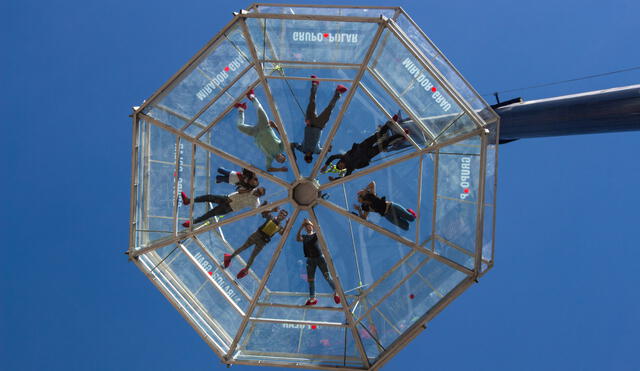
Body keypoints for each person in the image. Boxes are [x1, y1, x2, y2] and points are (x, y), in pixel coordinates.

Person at [290, 76, 347, 164]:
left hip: (310, 123)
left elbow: (292, 145)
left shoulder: (302, 149)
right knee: (329, 109)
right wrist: (329, 149)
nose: (308, 155)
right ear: (311, 157)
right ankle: (338, 92)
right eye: (310, 157)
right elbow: (326, 150)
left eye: (307, 157)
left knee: (312, 102)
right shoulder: (317, 151)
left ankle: (315, 84)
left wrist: (293, 156)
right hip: (319, 126)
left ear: (305, 156)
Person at [321, 121, 406, 180]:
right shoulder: (349, 168)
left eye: (339, 164)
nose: (341, 165)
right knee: (384, 144)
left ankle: (388, 125)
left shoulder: (344, 157)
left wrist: (326, 165)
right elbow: (345, 178)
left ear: (340, 162)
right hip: (369, 154)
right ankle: (400, 136)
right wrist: (335, 179)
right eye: (341, 167)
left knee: (377, 136)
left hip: (363, 146)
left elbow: (332, 157)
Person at [224, 208, 290, 279]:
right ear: (279, 213)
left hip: (263, 241)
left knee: (253, 256)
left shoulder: (280, 226)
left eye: (284, 215)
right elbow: (263, 213)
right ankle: (229, 258)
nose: (282, 215)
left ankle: (245, 270)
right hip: (257, 235)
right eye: (281, 213)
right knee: (243, 247)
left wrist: (287, 224)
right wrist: (271, 210)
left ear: (284, 218)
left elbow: (282, 233)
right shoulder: (271, 217)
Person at [235, 90, 287, 173]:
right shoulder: (281, 149)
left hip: (256, 134)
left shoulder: (270, 157)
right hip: (265, 127)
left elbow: (268, 168)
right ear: (282, 155)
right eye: (282, 159)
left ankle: (241, 109)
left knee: (239, 127)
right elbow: (283, 137)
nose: (280, 159)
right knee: (260, 110)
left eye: (280, 161)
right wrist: (275, 126)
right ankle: (252, 96)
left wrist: (280, 169)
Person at [295, 219, 340, 306]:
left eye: (310, 225)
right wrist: (302, 226)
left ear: (312, 226)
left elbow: (318, 230)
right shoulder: (304, 237)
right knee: (310, 279)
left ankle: (336, 292)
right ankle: (312, 298)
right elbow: (297, 238)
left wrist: (309, 222)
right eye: (307, 226)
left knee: (327, 276)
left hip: (320, 257)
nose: (308, 227)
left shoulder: (316, 234)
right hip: (310, 259)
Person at [180, 187, 265, 227]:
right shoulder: (251, 189)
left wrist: (263, 207)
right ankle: (189, 201)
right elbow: (239, 190)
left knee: (211, 213)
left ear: (259, 196)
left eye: (258, 193)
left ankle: (193, 222)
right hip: (226, 198)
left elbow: (255, 212)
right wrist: (248, 190)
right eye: (257, 190)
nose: (256, 192)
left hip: (229, 207)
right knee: (209, 197)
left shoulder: (255, 202)